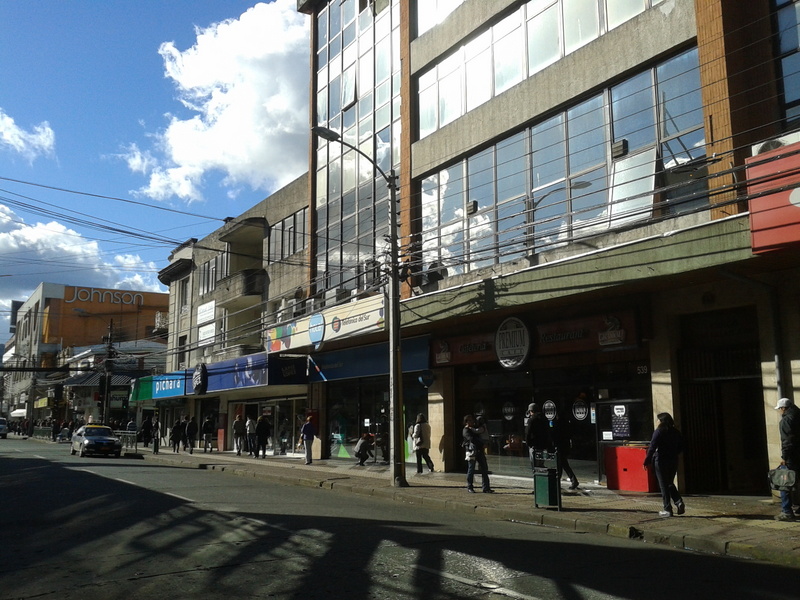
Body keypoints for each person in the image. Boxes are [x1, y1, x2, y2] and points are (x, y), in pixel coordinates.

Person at [643, 412, 685, 517]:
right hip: (673, 460)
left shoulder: (659, 432)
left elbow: (652, 447)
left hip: (661, 460)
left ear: (662, 421)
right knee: (669, 482)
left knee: (663, 485)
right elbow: (681, 446)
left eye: (658, 420)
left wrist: (647, 461)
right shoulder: (676, 432)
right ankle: (678, 502)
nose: (656, 422)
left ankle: (667, 509)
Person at [774, 398, 800, 521]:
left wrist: (784, 457)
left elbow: (787, 441)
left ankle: (787, 511)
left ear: (784, 408)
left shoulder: (786, 421)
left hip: (792, 456)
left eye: (779, 409)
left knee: (785, 482)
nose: (779, 411)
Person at [463, 414, 493, 493]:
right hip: (471, 452)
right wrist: (482, 444)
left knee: (484, 469)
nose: (471, 422)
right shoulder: (466, 430)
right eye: (469, 420)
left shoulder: (476, 428)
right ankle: (470, 486)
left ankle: (486, 488)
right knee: (471, 469)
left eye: (472, 420)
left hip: (479, 451)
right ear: (466, 422)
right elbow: (471, 439)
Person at [550, 411, 579, 490]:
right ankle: (573, 481)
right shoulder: (567, 424)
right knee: (563, 465)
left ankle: (560, 483)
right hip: (565, 447)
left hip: (560, 447)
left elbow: (554, 435)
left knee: (561, 466)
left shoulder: (558, 424)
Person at [525, 402, 551, 479]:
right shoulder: (544, 418)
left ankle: (537, 484)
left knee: (535, 467)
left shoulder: (532, 420)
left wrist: (528, 443)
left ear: (531, 411)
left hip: (534, 446)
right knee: (541, 466)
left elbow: (527, 433)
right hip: (543, 446)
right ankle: (543, 483)